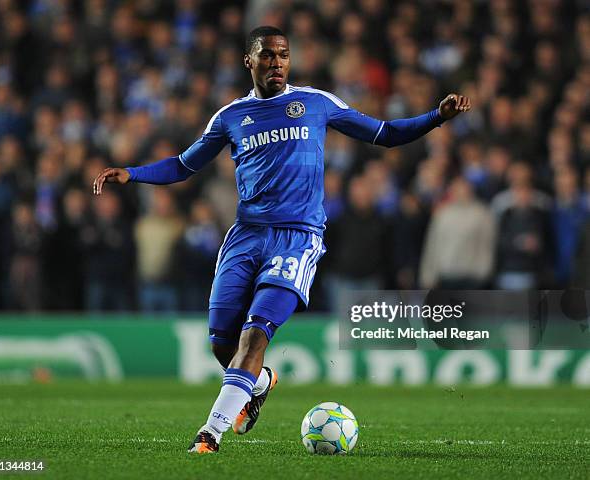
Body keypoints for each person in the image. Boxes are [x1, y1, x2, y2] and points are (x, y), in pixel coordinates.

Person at [92, 26, 470, 453]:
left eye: (283, 55)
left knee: (255, 334)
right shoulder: (230, 116)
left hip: (297, 237)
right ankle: (260, 381)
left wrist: (436, 116)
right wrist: (133, 173)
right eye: (268, 56)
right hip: (245, 236)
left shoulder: (316, 103)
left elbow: (384, 133)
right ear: (248, 62)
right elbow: (184, 165)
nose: (277, 63)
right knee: (222, 342)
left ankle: (209, 434)